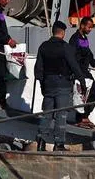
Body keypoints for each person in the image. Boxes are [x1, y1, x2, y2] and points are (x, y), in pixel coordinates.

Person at [34, 20, 87, 151]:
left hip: (48, 84)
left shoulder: (43, 46)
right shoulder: (65, 47)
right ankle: (59, 144)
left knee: (47, 114)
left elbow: (38, 69)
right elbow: (74, 65)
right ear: (63, 33)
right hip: (63, 84)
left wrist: (42, 84)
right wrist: (82, 82)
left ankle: (41, 142)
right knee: (61, 115)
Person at [71, 17, 95, 128]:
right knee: (81, 95)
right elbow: (72, 57)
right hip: (79, 72)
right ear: (82, 26)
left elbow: (89, 56)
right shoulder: (75, 39)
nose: (90, 29)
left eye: (91, 27)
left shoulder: (84, 38)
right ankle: (81, 118)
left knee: (94, 93)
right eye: (89, 27)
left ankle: (85, 116)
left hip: (85, 71)